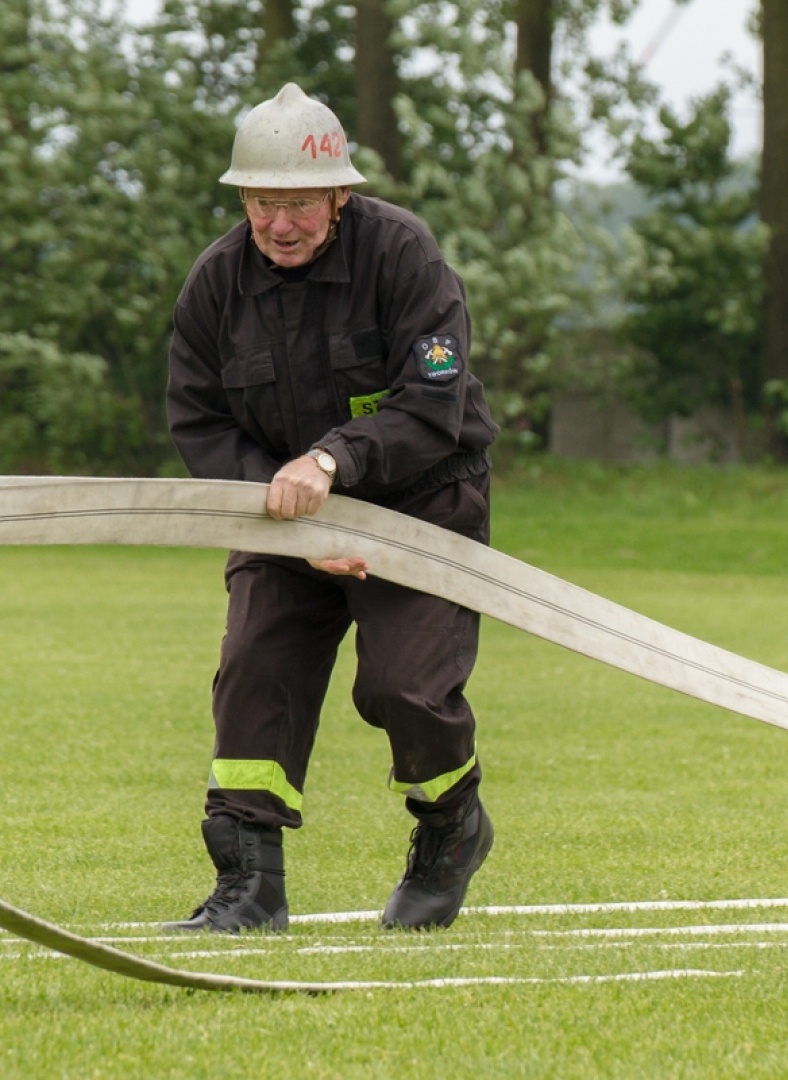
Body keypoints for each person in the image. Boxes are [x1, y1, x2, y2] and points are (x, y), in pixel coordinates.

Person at [163, 83, 500, 933]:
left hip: (419, 500)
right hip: (281, 517)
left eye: (302, 204)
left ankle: (451, 831)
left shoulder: (405, 257)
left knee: (404, 690)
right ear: (244, 197)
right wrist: (292, 519)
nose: (281, 224)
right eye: (264, 203)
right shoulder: (215, 286)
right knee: (254, 673)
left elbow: (433, 405)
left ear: (340, 197)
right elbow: (199, 422)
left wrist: (330, 462)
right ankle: (249, 886)